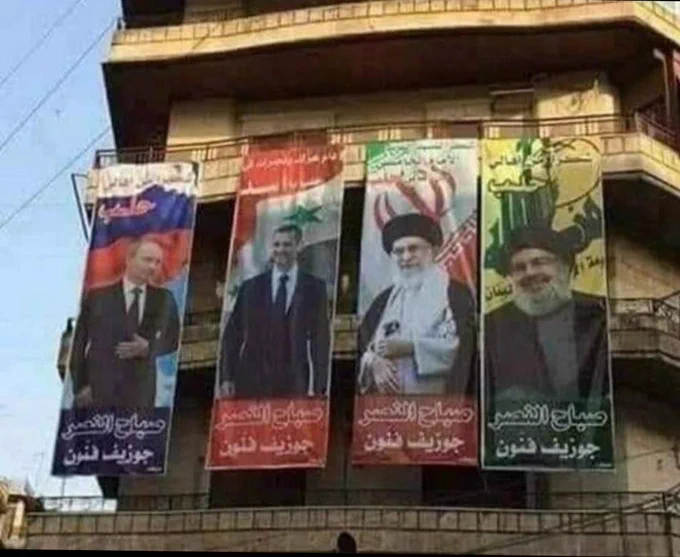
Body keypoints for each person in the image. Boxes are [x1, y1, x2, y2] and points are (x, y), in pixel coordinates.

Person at [484, 226, 609, 406]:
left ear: (564, 267)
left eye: (539, 262)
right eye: (519, 268)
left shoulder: (598, 313)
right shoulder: (493, 325)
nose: (529, 273)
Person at [357, 213, 477, 396]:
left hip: (438, 405)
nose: (406, 257)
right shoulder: (384, 300)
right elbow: (363, 346)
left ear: (434, 251)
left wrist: (411, 347)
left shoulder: (455, 294)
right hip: (386, 408)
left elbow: (464, 350)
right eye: (398, 252)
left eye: (413, 249)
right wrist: (373, 361)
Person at [218, 224, 331, 399]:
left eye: (287, 244)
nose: (280, 250)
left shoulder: (315, 288)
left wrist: (320, 387)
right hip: (251, 382)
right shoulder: (250, 288)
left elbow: (320, 340)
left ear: (299, 246)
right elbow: (232, 335)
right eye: (276, 245)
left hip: (294, 384)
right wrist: (226, 377)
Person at [70, 236, 180, 409]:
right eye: (147, 260)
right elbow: (78, 343)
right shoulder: (98, 297)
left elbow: (174, 339)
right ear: (130, 259)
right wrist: (80, 387)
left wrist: (149, 348)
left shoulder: (164, 298)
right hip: (97, 392)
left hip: (140, 395)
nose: (153, 267)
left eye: (157, 262)